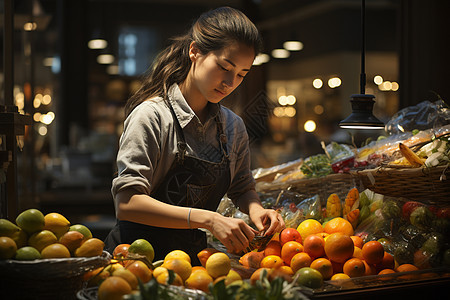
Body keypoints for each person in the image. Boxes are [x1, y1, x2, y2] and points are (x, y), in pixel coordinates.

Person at [104, 6, 285, 265]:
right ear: (194, 51)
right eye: (224, 67)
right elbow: (127, 203)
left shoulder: (233, 127)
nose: (230, 82)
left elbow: (243, 187)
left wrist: (256, 209)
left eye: (242, 74)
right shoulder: (152, 117)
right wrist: (209, 219)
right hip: (135, 263)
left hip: (194, 265)